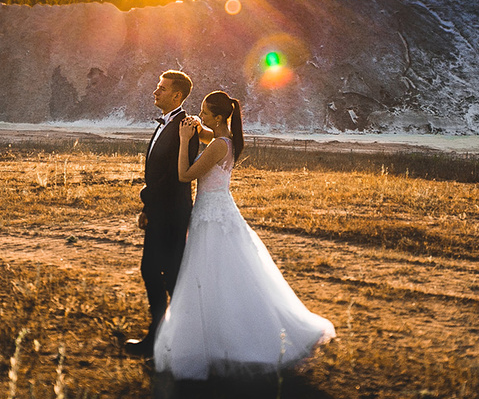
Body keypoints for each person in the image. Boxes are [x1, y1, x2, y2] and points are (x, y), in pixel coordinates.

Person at [152, 90, 335, 380]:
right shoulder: (225, 140)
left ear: (220, 117)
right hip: (217, 209)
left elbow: (185, 175)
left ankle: (229, 340)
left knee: (210, 274)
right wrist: (197, 128)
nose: (203, 115)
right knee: (223, 274)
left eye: (206, 112)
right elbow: (207, 135)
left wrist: (186, 140)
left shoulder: (217, 146)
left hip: (211, 214)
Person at [123, 70, 200, 358]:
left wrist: (147, 199)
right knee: (160, 272)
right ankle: (167, 335)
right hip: (159, 212)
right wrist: (147, 209)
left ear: (177, 95)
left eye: (162, 88)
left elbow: (174, 177)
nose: (156, 92)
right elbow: (155, 172)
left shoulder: (186, 127)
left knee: (165, 274)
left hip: (172, 214)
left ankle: (164, 337)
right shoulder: (165, 124)